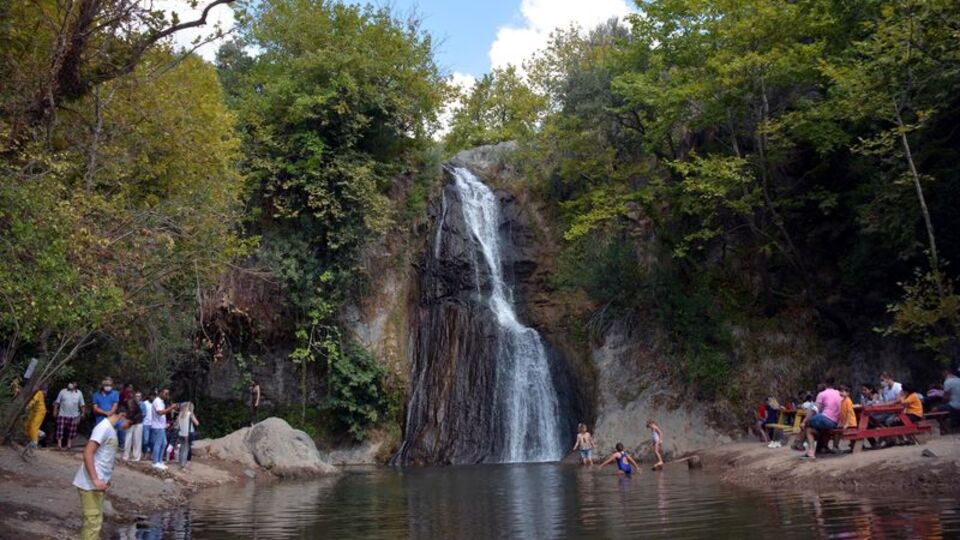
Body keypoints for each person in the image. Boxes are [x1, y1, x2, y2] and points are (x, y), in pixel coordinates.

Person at [73, 407, 127, 540]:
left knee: (96, 521)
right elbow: (88, 453)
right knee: (92, 523)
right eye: (129, 423)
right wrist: (95, 479)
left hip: (98, 484)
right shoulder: (103, 428)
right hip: (89, 484)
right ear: (122, 415)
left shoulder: (111, 429)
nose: (127, 427)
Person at [803, 379, 842, 459]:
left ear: (825, 384)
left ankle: (811, 451)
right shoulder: (840, 393)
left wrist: (805, 421)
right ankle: (823, 447)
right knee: (820, 427)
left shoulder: (822, 394)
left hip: (826, 418)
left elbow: (815, 409)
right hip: (836, 421)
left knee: (808, 427)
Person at [150, 388, 178, 470]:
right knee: (158, 444)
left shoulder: (161, 402)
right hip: (157, 426)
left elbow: (164, 411)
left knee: (164, 443)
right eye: (165, 393)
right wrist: (171, 407)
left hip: (161, 426)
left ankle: (159, 461)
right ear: (161, 393)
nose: (167, 395)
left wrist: (171, 408)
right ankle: (155, 462)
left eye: (168, 394)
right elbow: (160, 412)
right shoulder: (157, 401)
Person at [53, 381, 85, 450]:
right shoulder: (63, 391)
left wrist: (83, 413)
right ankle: (59, 445)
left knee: (72, 431)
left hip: (74, 415)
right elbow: (57, 402)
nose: (71, 384)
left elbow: (82, 404)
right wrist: (55, 411)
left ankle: (69, 445)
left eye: (73, 383)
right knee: (60, 430)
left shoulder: (79, 393)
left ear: (76, 384)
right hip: (62, 414)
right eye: (70, 383)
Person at [21, 385, 48, 458]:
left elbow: (33, 401)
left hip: (39, 412)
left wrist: (27, 407)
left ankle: (34, 443)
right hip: (35, 412)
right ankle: (40, 434)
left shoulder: (38, 392)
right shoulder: (38, 393)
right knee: (29, 426)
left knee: (33, 427)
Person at [831, 385, 858, 452]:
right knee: (837, 432)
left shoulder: (848, 401)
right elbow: (842, 413)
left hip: (850, 422)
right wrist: (840, 422)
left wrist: (847, 423)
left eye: (842, 391)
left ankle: (854, 447)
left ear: (847, 393)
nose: (840, 393)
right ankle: (835, 446)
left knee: (852, 436)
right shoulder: (842, 401)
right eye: (840, 391)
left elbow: (849, 412)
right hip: (844, 422)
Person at [122, 391, 145, 461]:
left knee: (137, 440)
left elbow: (139, 414)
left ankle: (136, 457)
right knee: (128, 439)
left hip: (137, 422)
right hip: (131, 422)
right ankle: (126, 456)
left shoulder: (138, 403)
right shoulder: (127, 402)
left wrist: (130, 420)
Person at [176, 402, 200, 469]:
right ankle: (183, 465)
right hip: (187, 434)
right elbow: (197, 423)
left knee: (181, 448)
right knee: (186, 449)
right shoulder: (190, 414)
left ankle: (180, 462)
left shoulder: (180, 414)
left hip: (181, 433)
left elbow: (177, 424)